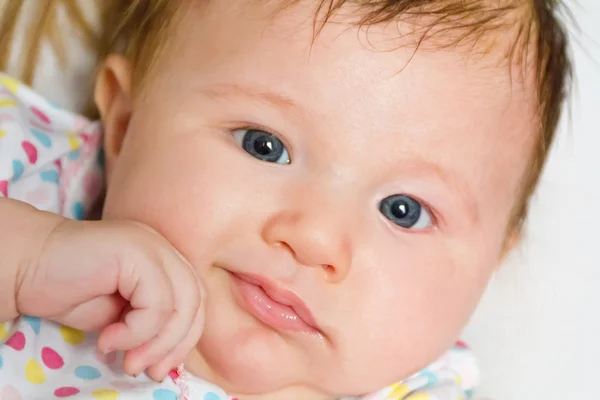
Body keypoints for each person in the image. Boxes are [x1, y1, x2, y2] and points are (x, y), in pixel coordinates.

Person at [0, 0, 570, 399]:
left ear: (489, 264)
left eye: (404, 210)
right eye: (264, 146)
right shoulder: (32, 175)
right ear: (125, 123)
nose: (314, 237)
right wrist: (28, 258)